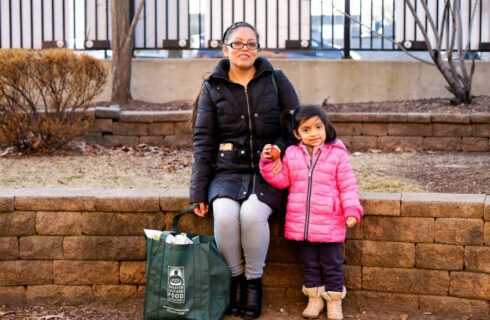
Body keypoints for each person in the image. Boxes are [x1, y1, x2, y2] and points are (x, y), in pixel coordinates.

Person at [189, 21, 299, 319]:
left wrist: (278, 148)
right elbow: (203, 141)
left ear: (258, 48)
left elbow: (294, 128)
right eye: (238, 43)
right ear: (225, 49)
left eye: (251, 43)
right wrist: (198, 191)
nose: (245, 49)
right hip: (226, 172)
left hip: (269, 172)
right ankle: (235, 280)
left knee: (252, 215)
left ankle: (253, 284)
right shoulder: (213, 87)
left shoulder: (276, 80)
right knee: (224, 217)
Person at [259, 105, 363, 320]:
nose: (314, 133)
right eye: (306, 130)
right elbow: (281, 180)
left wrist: (352, 209)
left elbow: (348, 185)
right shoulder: (291, 154)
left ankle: (334, 302)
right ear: (297, 134)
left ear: (326, 127)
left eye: (318, 127)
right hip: (302, 224)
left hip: (329, 222)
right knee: (309, 265)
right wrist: (268, 162)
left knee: (332, 265)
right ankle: (314, 298)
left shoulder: (337, 155)